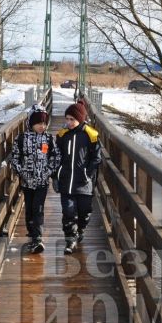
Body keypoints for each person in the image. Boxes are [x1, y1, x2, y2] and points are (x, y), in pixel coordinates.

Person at [10, 104, 60, 253]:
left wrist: (49, 170)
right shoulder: (21, 139)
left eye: (44, 123)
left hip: (42, 182)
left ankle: (38, 238)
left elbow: (55, 156)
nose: (42, 126)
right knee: (29, 209)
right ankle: (32, 234)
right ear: (31, 123)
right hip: (27, 181)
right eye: (38, 123)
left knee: (38, 209)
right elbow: (15, 157)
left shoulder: (49, 139)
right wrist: (21, 171)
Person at [54, 100, 101, 254]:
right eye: (66, 119)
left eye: (72, 119)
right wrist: (55, 176)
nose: (68, 122)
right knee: (68, 211)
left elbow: (96, 157)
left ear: (80, 119)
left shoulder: (91, 135)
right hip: (66, 181)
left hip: (84, 181)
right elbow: (55, 157)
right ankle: (70, 239)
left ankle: (80, 229)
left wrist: (88, 173)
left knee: (84, 211)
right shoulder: (62, 135)